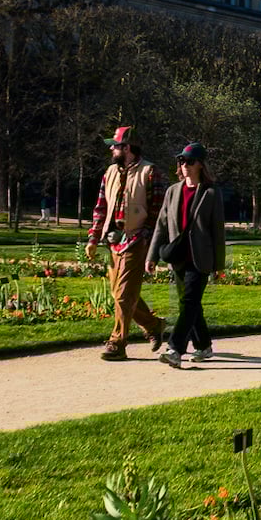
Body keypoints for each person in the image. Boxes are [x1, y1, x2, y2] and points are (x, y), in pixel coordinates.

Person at [86, 126, 169, 361]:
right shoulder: (110, 173)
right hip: (113, 240)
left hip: (137, 240)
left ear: (128, 147)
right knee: (119, 293)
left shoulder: (150, 172)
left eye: (115, 145)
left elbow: (158, 210)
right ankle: (153, 326)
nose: (111, 149)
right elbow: (100, 207)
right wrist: (93, 238)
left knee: (123, 294)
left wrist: (146, 237)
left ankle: (117, 343)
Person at [147, 142, 226, 369]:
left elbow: (218, 232)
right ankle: (204, 346)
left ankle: (175, 349)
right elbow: (161, 226)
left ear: (200, 164)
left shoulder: (211, 193)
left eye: (189, 161)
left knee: (189, 302)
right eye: (181, 161)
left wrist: (218, 266)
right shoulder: (173, 191)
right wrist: (151, 256)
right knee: (190, 305)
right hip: (178, 257)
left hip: (200, 260)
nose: (184, 165)